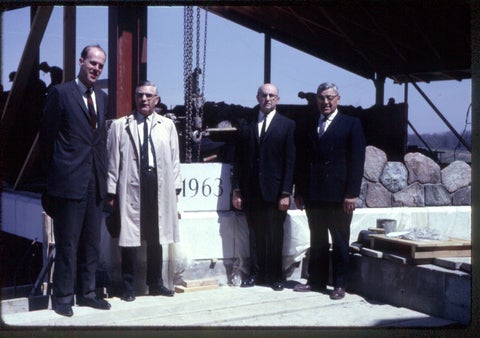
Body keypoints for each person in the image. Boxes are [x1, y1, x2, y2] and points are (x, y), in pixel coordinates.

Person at [39, 45, 110, 317]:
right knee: (67, 242)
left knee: (92, 241)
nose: (96, 68)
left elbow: (99, 142)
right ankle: (63, 297)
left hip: (95, 181)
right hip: (68, 181)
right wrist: (52, 180)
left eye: (101, 65)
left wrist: (105, 180)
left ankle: (88, 293)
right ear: (81, 61)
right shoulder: (60, 93)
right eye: (92, 63)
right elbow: (47, 141)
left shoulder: (102, 99)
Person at [107, 81, 181, 302]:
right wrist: (111, 193)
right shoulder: (120, 126)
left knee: (157, 235)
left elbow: (175, 160)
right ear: (135, 97)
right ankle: (128, 286)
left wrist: (176, 188)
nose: (144, 100)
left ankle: (156, 284)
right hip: (131, 185)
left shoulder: (167, 126)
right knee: (130, 237)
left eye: (149, 96)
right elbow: (112, 162)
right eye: (140, 95)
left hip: (158, 185)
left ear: (156, 100)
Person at [293, 82, 366, 300]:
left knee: (340, 241)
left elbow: (356, 161)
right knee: (317, 240)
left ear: (338, 99)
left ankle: (340, 284)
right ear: (316, 100)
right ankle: (316, 281)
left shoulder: (351, 124)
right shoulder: (309, 124)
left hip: (339, 197)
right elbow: (303, 161)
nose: (325, 102)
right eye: (321, 98)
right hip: (314, 196)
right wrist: (299, 191)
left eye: (329, 98)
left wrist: (351, 193)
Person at [232, 83, 295, 291]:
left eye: (272, 95)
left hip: (276, 192)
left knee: (275, 236)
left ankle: (276, 276)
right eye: (264, 95)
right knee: (255, 234)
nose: (267, 99)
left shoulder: (287, 125)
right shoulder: (247, 124)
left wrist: (286, 193)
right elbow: (238, 160)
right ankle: (256, 274)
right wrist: (237, 189)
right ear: (257, 97)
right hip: (251, 191)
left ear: (277, 99)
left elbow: (290, 161)